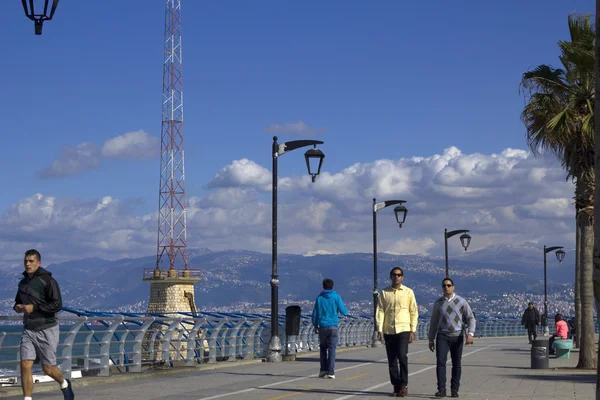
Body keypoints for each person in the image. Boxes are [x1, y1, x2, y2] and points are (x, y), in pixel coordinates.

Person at [14, 249, 74, 400]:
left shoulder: (48, 281)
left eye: (31, 261)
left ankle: (63, 382)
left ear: (39, 263)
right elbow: (17, 301)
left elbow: (57, 305)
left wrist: (34, 308)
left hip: (47, 328)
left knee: (48, 368)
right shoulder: (22, 283)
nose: (27, 264)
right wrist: (18, 307)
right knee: (25, 364)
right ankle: (27, 399)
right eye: (26, 261)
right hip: (28, 329)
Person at [428, 278, 476, 398]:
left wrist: (470, 334)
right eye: (444, 286)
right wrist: (431, 338)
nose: (446, 288)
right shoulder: (438, 303)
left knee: (456, 364)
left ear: (453, 287)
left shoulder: (461, 301)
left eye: (449, 285)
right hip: (442, 336)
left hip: (457, 335)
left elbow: (470, 318)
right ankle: (441, 389)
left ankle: (454, 389)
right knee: (440, 362)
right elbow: (434, 322)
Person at [376, 267, 419, 397]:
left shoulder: (408, 292)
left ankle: (404, 384)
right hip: (389, 329)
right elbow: (380, 311)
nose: (397, 277)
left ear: (402, 277)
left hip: (404, 329)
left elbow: (413, 311)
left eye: (399, 275)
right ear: (391, 277)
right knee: (392, 359)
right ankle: (396, 385)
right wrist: (379, 329)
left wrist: (413, 329)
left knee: (402, 356)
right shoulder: (384, 293)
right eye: (394, 275)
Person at [311, 278, 348, 379]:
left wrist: (315, 326)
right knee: (332, 349)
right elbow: (344, 311)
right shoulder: (336, 297)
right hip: (333, 326)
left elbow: (315, 314)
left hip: (322, 326)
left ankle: (323, 370)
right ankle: (331, 372)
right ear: (332, 286)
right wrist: (346, 310)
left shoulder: (319, 298)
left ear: (323, 286)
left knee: (323, 348)